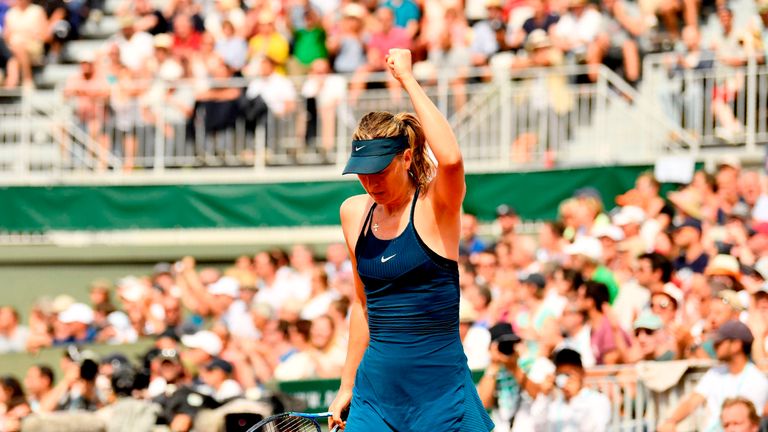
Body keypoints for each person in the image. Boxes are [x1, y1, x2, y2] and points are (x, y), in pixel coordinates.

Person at [328, 48, 494, 431]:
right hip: (375, 396)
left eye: (380, 171)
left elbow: (450, 159)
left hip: (439, 395)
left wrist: (407, 78)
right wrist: (346, 385)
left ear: (405, 158)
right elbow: (362, 303)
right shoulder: (353, 213)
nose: (370, 183)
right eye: (362, 174)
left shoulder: (436, 207)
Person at [658, 321, 768, 432]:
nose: (714, 346)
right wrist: (671, 421)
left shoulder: (757, 379)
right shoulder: (715, 373)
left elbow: (750, 421)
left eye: (719, 342)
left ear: (736, 345)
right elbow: (692, 401)